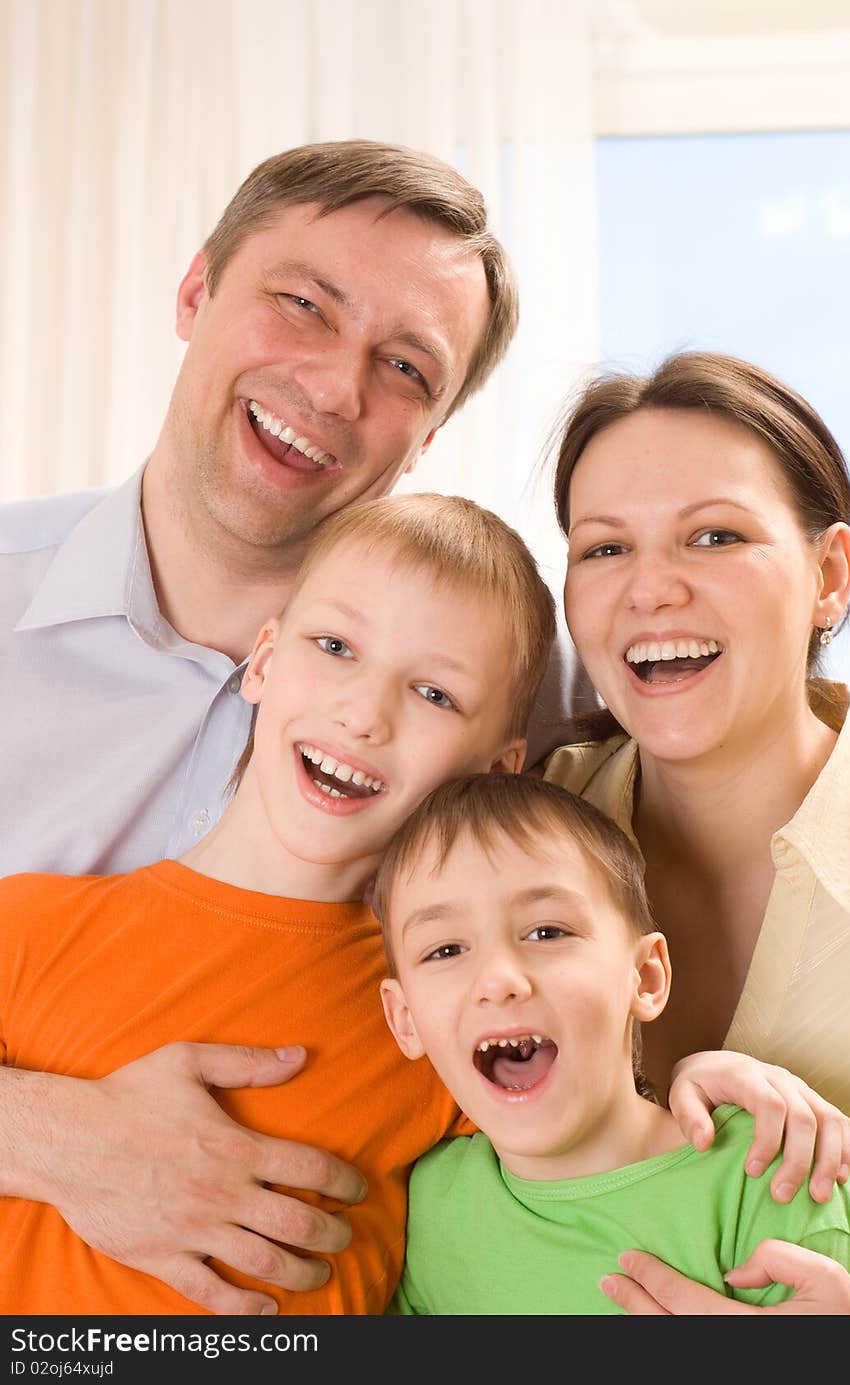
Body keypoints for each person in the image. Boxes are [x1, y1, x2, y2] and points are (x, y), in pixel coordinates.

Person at [0, 140, 591, 1312]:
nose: (333, 386)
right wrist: (50, 1133)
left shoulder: (543, 685)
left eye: (406, 367)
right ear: (194, 289)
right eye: (299, 304)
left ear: (426, 437)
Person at [0, 490, 557, 1314]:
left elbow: (603, 1169)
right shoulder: (29, 925)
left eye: (433, 694)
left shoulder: (454, 1011)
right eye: (335, 645)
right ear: (263, 660)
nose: (363, 714)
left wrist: (720, 1086)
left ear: (496, 774)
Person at [541, 348, 850, 1313]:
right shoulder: (505, 836)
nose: (651, 589)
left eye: (715, 536)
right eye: (604, 548)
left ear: (830, 574)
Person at [373, 773, 850, 1314]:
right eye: (446, 949)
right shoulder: (429, 1203)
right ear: (405, 1020)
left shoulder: (771, 1172)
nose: (499, 979)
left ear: (646, 978)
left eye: (547, 932)